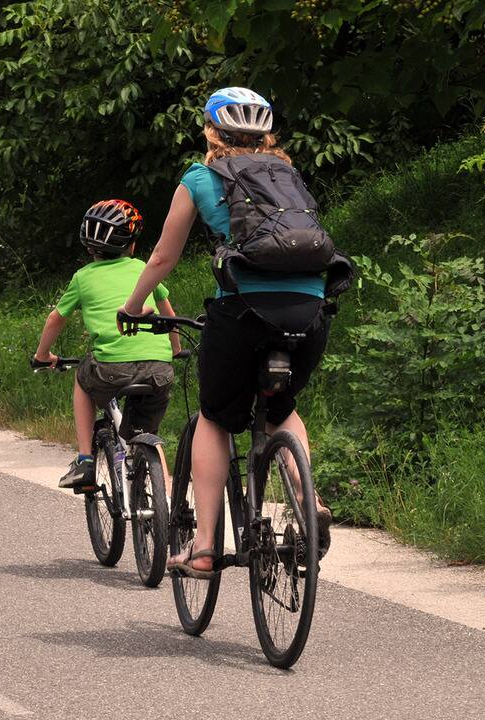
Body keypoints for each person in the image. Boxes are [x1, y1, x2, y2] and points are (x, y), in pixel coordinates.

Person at [118, 87, 335, 577]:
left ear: (211, 132)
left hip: (242, 312)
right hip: (310, 309)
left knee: (214, 418)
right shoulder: (287, 175)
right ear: (266, 136)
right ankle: (309, 500)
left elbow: (163, 257)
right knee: (282, 407)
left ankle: (203, 548)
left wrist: (133, 307)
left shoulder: (200, 177)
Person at [33, 199, 182, 490]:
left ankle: (85, 460)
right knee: (147, 433)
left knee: (83, 378)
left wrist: (43, 355)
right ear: (132, 245)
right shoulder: (143, 269)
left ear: (89, 248)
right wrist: (175, 350)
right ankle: (165, 498)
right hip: (159, 369)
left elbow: (55, 319)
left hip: (111, 369)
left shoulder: (83, 277)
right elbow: (169, 314)